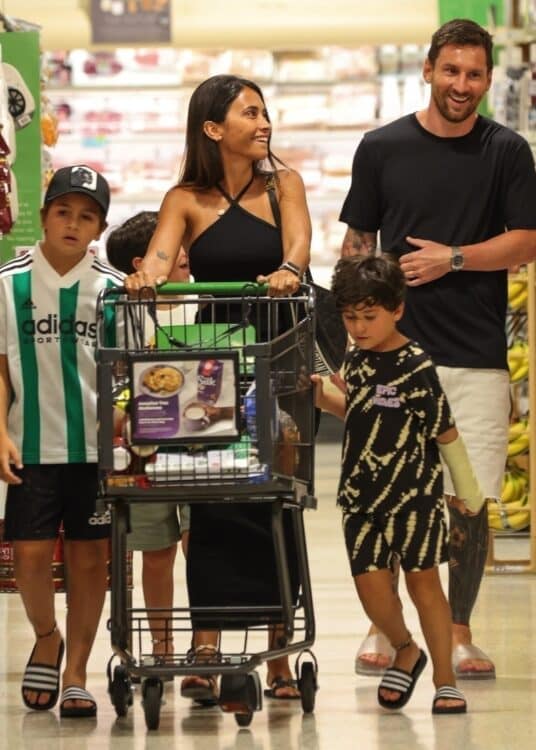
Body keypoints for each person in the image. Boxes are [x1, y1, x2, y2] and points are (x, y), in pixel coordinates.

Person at [339, 17, 536, 680]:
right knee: (394, 491)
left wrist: (453, 259)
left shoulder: (508, 151)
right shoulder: (381, 148)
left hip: (476, 354)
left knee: (469, 497)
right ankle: (387, 626)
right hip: (393, 354)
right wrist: (355, 332)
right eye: (450, 71)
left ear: (486, 78)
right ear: (428, 70)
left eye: (474, 74)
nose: (462, 85)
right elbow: (358, 245)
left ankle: (458, 629)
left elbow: (526, 241)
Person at [124, 74, 311, 701]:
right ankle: (206, 644)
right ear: (213, 128)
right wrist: (144, 279)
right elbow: (157, 259)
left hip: (278, 355)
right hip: (214, 366)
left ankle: (280, 651)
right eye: (249, 113)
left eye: (265, 111)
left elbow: (300, 249)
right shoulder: (185, 198)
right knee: (210, 495)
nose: (264, 123)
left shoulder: (285, 186)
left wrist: (287, 271)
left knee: (274, 497)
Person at [313, 254, 486, 713]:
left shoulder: (416, 366)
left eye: (369, 317)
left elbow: (445, 432)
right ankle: (405, 647)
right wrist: (321, 394)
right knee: (370, 587)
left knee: (424, 584)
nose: (359, 327)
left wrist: (467, 493)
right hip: (359, 496)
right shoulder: (356, 359)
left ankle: (446, 682)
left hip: (415, 498)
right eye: (350, 318)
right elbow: (354, 411)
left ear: (397, 310)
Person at [0, 164, 123, 717]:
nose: (73, 223)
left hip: (96, 452)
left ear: (98, 228)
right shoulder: (8, 283)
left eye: (87, 216)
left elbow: (128, 374)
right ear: (45, 215)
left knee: (90, 558)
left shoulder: (114, 290)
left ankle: (76, 672)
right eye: (64, 212)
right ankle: (46, 637)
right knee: (27, 555)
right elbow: (1, 367)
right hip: (32, 445)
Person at [106, 210, 192, 666]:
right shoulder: (126, 314)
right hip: (144, 449)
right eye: (174, 243)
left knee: (201, 545)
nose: (184, 253)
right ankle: (162, 646)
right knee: (156, 552)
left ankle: (205, 642)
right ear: (143, 263)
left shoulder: (202, 299)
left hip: (204, 445)